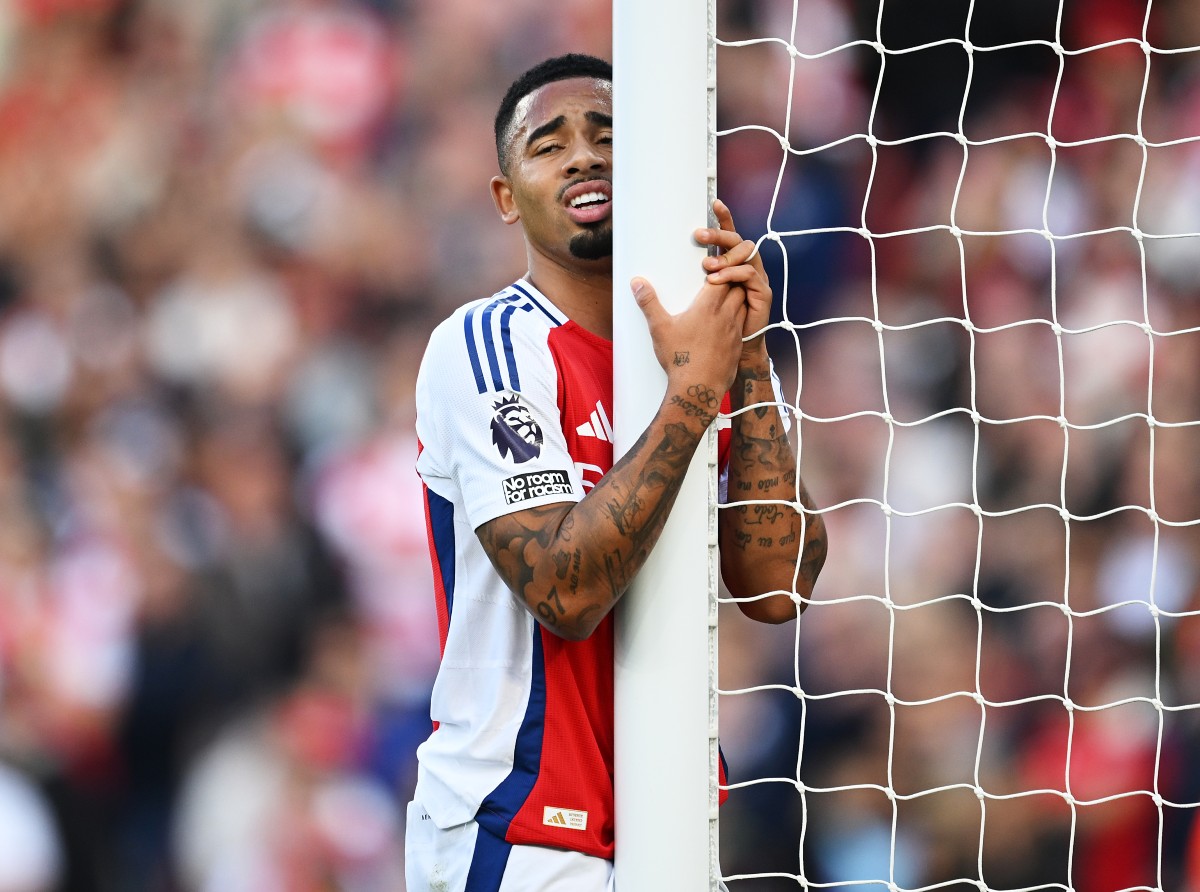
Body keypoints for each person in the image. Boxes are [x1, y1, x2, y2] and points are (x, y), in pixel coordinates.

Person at [406, 53, 827, 892]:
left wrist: (744, 355)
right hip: (518, 827)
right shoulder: (489, 347)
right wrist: (695, 391)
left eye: (607, 137)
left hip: (671, 827)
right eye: (548, 145)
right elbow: (564, 589)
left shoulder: (702, 347)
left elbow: (778, 587)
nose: (585, 157)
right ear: (505, 196)